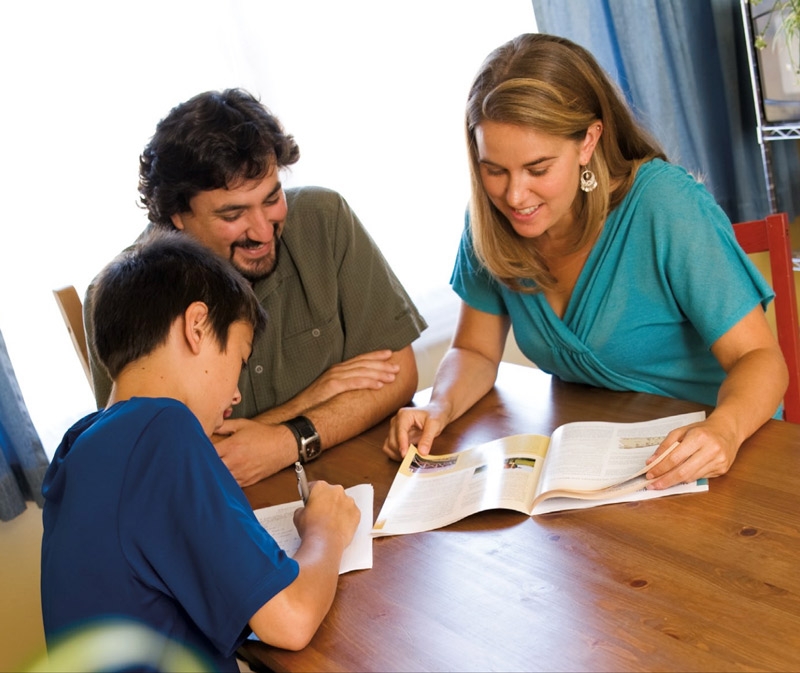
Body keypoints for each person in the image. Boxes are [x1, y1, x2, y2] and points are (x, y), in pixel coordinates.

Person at [382, 33, 788, 491]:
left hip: (717, 457)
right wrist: (440, 406)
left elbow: (760, 359)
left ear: (588, 141)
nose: (514, 196)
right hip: (598, 464)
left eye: (538, 169)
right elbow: (474, 351)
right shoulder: (488, 220)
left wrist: (724, 430)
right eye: (494, 169)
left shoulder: (664, 205)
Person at [42, 231, 360, 672]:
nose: (234, 394)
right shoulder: (162, 430)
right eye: (239, 359)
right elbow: (291, 620)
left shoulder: (78, 448)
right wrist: (327, 530)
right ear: (197, 327)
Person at [85, 88, 427, 487]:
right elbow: (154, 467)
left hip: (354, 482)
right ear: (177, 215)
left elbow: (398, 375)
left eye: (272, 198)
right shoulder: (124, 294)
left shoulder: (325, 218)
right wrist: (311, 400)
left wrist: (287, 441)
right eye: (233, 214)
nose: (263, 232)